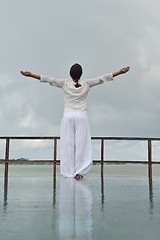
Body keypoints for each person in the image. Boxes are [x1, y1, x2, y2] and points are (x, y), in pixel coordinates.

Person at [20, 63, 130, 180]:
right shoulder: (87, 83)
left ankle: (68, 172)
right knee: (82, 144)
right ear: (81, 74)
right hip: (81, 116)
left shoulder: (65, 83)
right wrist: (120, 72)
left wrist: (31, 75)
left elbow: (48, 79)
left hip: (68, 116)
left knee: (67, 144)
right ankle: (79, 172)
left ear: (70, 74)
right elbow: (102, 78)